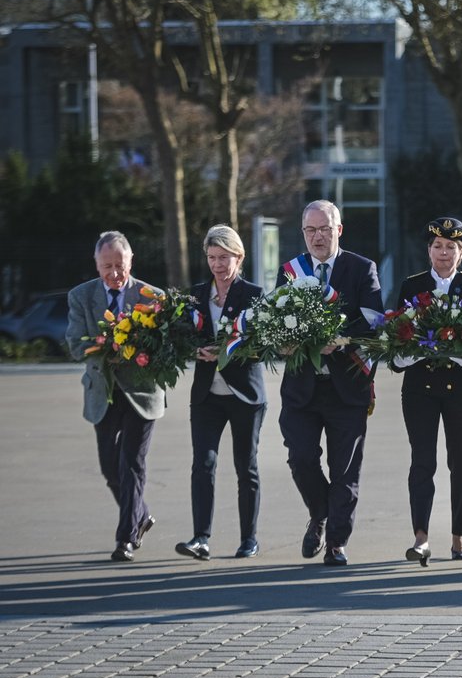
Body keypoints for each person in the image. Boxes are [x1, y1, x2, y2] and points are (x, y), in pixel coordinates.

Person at [277, 200, 383, 566]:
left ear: (339, 230)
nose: (318, 237)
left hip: (347, 386)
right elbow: (277, 320)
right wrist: (282, 341)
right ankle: (319, 512)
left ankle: (336, 542)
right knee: (301, 458)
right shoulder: (290, 271)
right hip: (301, 389)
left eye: (324, 229)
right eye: (311, 230)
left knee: (345, 470)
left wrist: (340, 340)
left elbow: (372, 322)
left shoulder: (361, 268)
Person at [65, 231, 165, 562]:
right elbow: (75, 345)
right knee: (110, 468)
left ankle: (126, 539)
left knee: (131, 463)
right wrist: (106, 346)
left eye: (119, 265)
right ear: (96, 265)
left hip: (142, 392)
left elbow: (164, 347)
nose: (114, 273)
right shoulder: (81, 296)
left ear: (130, 261)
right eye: (107, 266)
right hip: (103, 391)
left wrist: (140, 350)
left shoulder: (151, 295)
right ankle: (141, 514)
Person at [393, 217, 462, 566]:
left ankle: (459, 535)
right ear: (428, 250)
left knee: (460, 461)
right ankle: (420, 537)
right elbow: (396, 343)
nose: (443, 253)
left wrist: (459, 352)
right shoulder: (411, 286)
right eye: (437, 247)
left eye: (451, 248)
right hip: (420, 388)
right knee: (422, 461)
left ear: (461, 253)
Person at [175, 225, 267, 562]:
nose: (217, 264)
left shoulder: (254, 294)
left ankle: (249, 539)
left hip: (245, 396)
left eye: (223, 257)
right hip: (207, 396)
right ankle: (201, 538)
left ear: (238, 257)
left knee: (246, 467)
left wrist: (227, 350)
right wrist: (195, 350)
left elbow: (261, 345)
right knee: (203, 463)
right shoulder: (196, 295)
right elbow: (183, 336)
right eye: (212, 257)